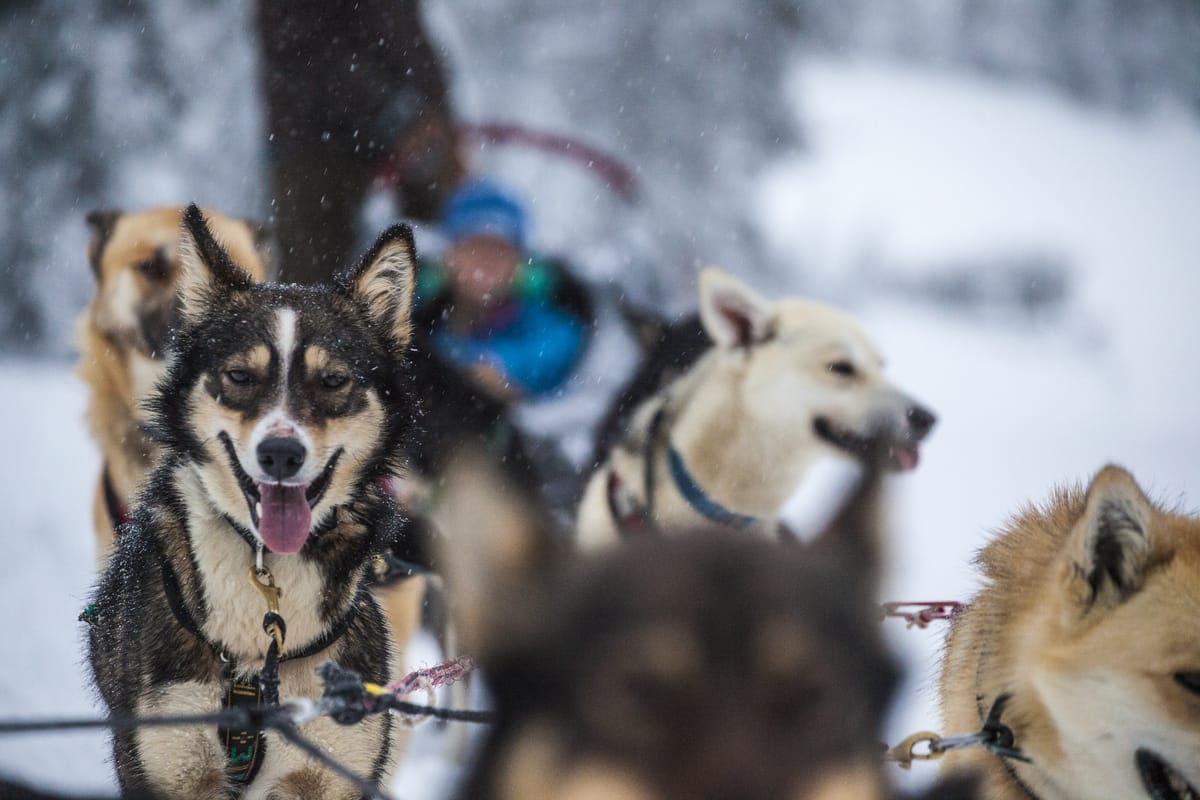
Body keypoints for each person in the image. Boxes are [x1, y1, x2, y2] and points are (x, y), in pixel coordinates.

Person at [256, 0, 465, 283]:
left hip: (407, 128)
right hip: (317, 140)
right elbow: (306, 54)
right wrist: (400, 115)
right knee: (310, 272)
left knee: (451, 248)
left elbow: (409, 43)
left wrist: (437, 115)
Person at [414, 179, 592, 401]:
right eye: (473, 248)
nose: (486, 262)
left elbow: (547, 359)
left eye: (500, 250)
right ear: (448, 258)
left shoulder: (556, 333)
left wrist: (487, 373)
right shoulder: (416, 317)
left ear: (520, 265)